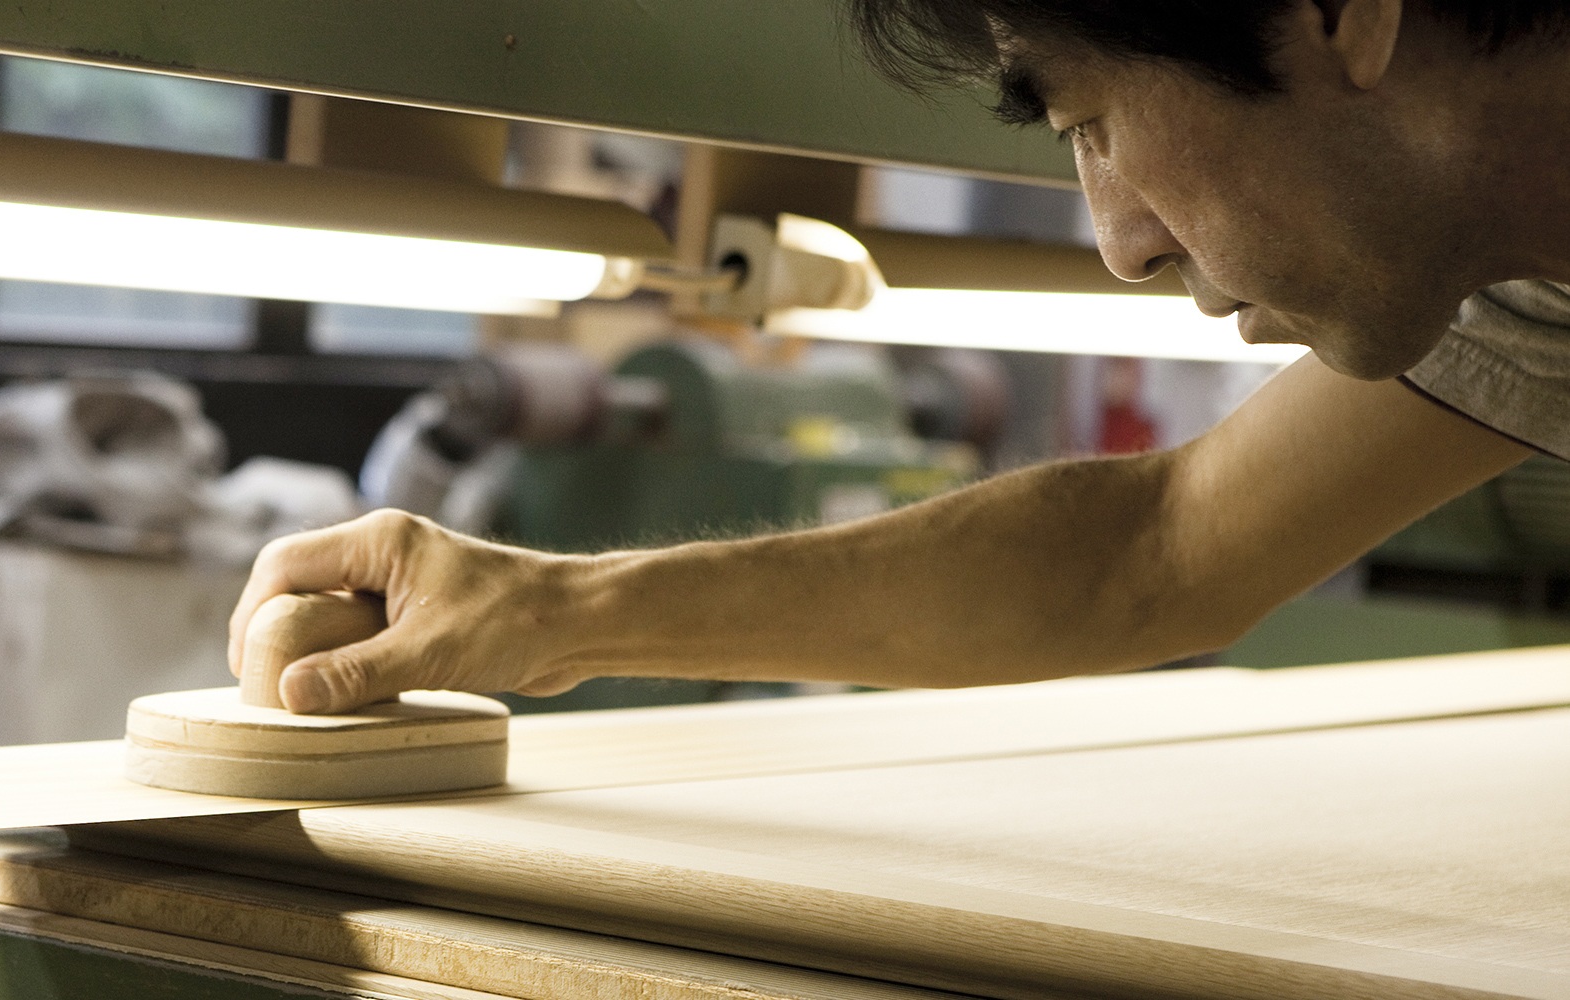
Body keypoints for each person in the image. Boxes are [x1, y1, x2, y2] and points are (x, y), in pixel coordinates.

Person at [229, 0, 1566, 714]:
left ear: (1342, 12)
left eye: (1091, 116)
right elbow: (1157, 549)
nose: (1121, 245)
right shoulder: (1528, 296)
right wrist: (546, 616)